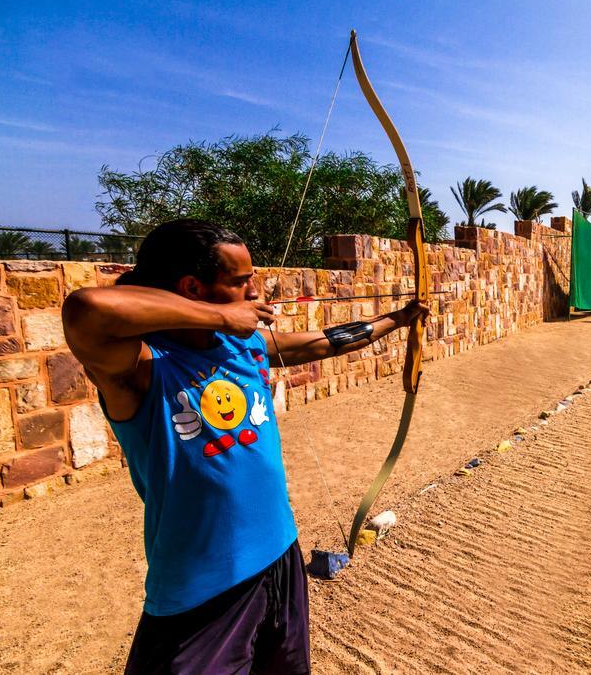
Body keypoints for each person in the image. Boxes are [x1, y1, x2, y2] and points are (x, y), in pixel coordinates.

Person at [62, 220, 427, 674]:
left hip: (280, 556)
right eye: (241, 281)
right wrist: (220, 315)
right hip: (202, 589)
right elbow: (85, 308)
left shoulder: (245, 345)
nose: (255, 290)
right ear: (193, 286)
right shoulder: (142, 365)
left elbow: (324, 344)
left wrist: (398, 320)